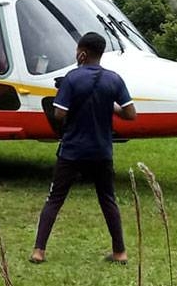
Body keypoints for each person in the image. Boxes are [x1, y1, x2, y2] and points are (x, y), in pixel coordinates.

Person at [30, 32, 136, 265]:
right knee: (108, 199)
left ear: (82, 53)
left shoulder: (72, 78)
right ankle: (120, 252)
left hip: (72, 150)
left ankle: (39, 250)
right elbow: (130, 114)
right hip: (101, 151)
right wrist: (108, 107)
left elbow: (59, 113)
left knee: (55, 198)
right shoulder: (114, 79)